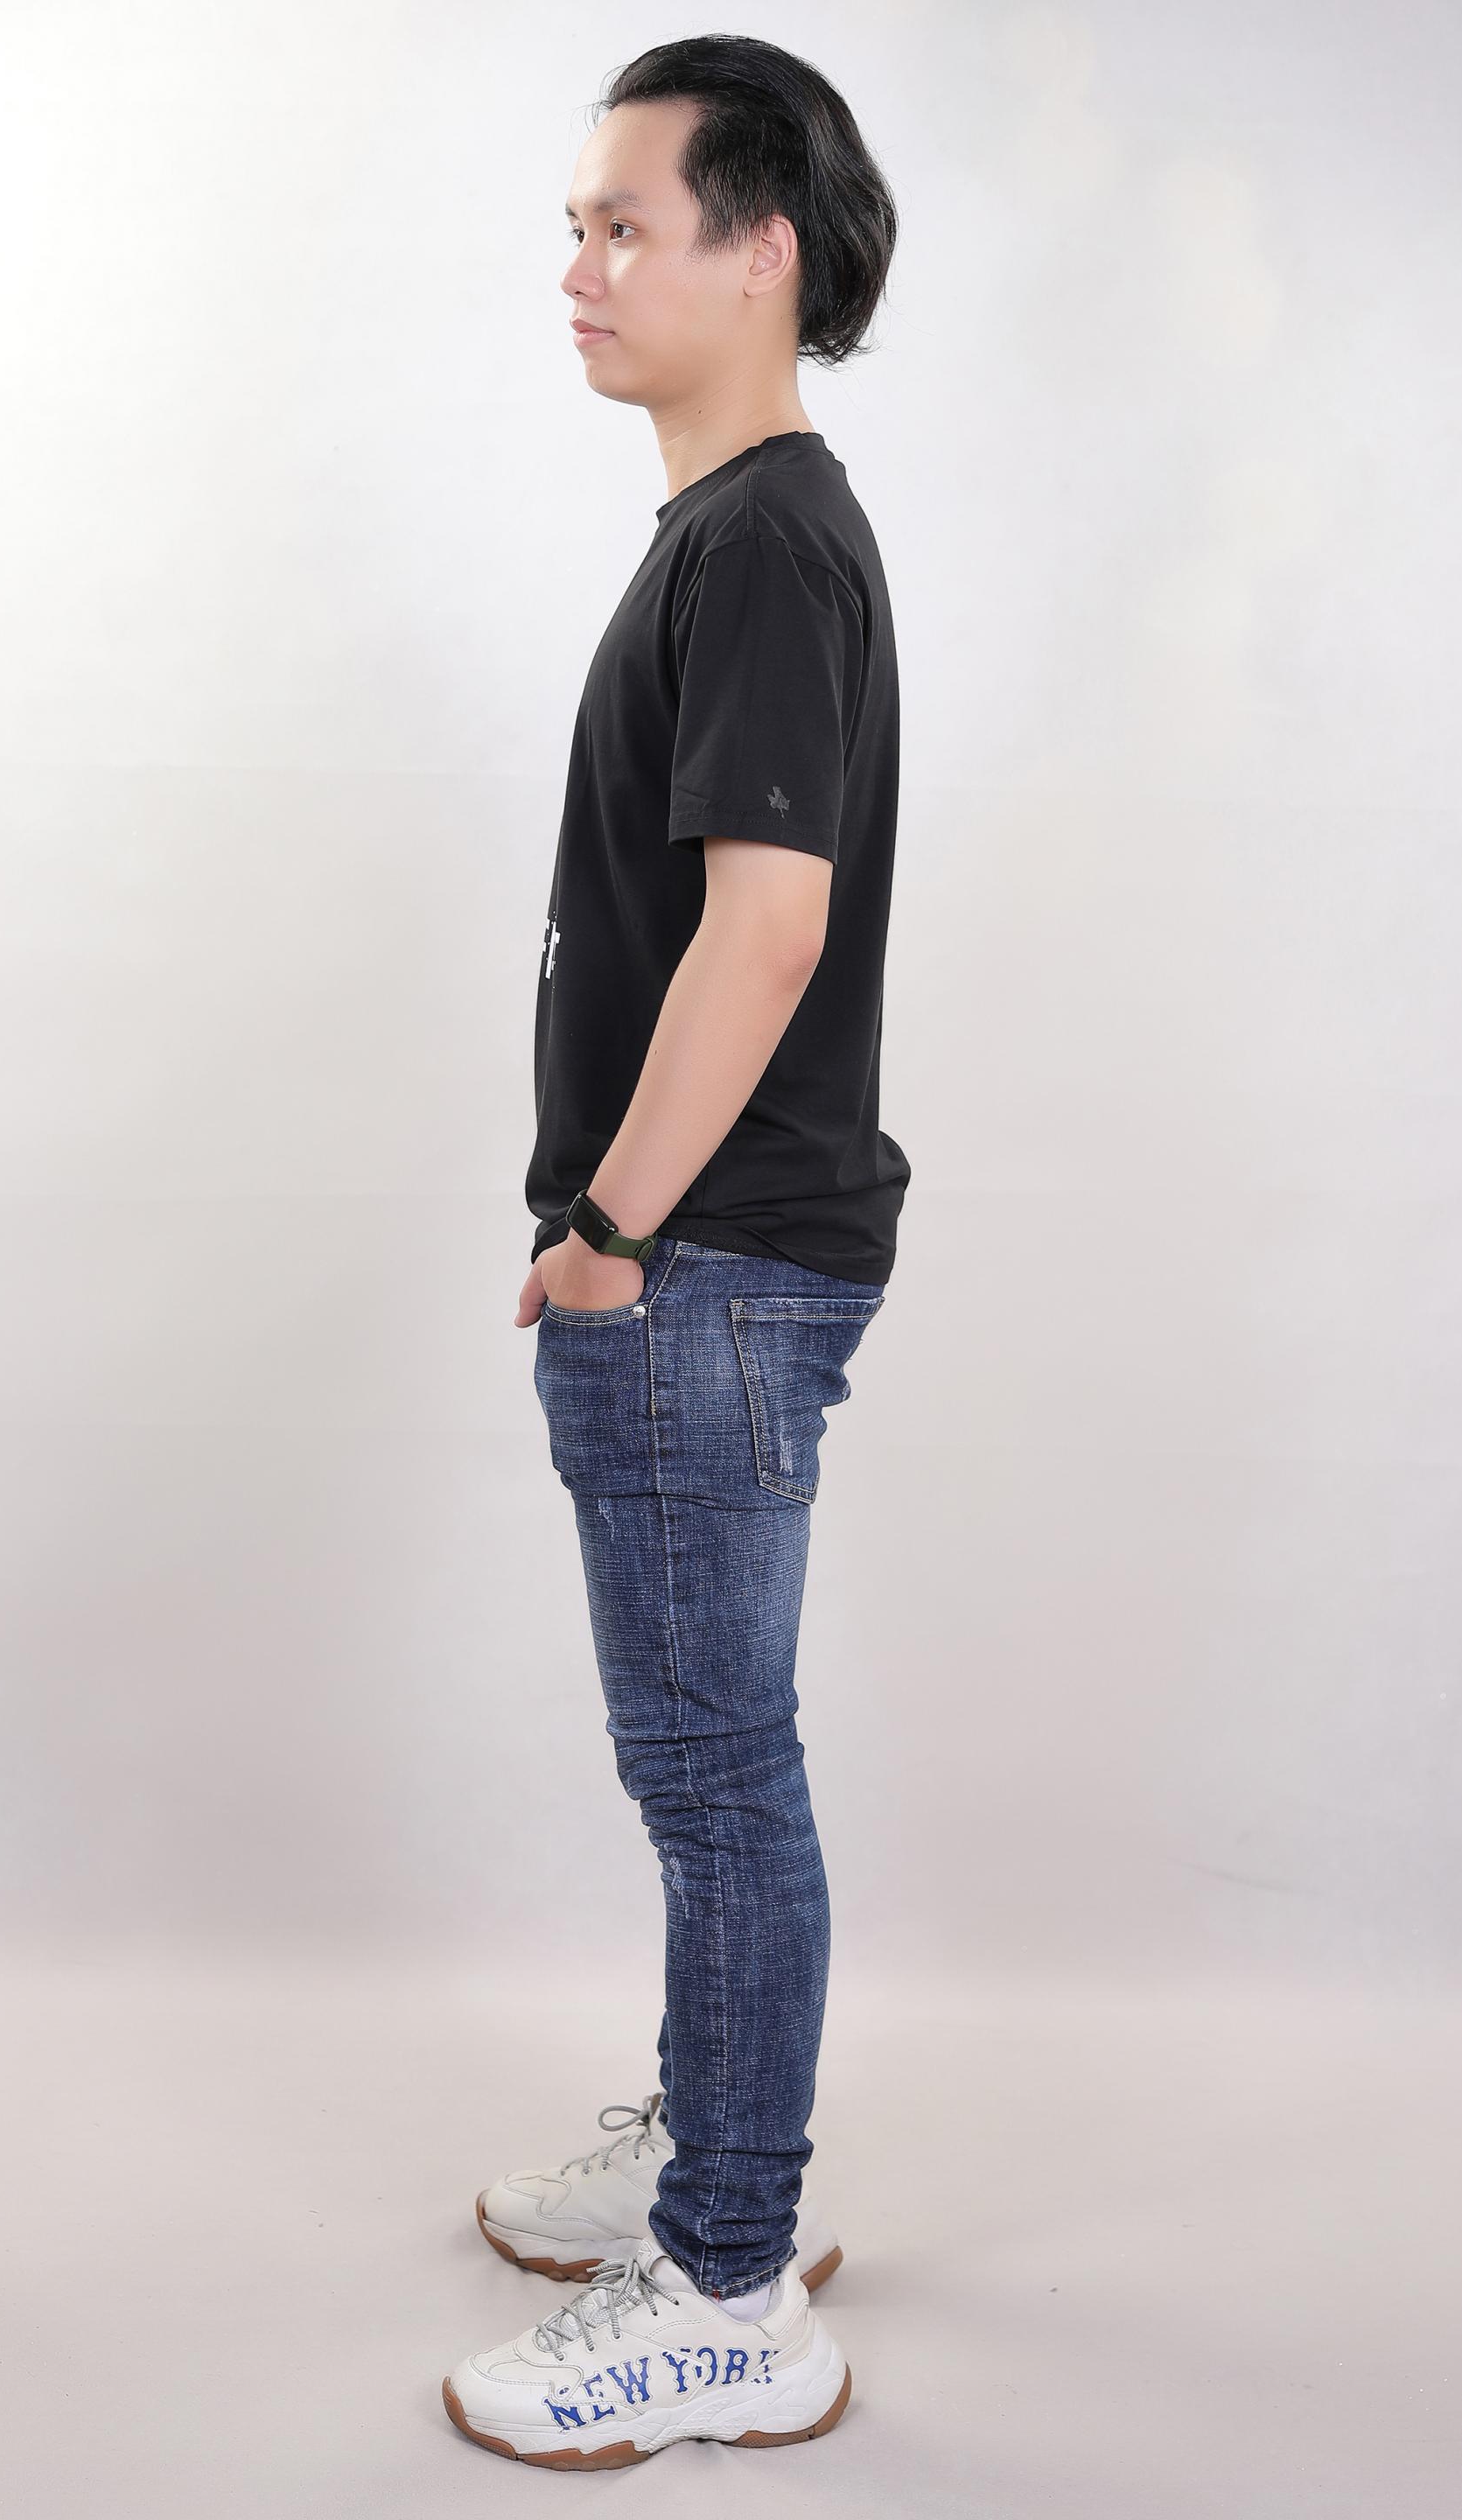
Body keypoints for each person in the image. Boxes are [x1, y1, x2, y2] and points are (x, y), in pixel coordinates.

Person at [441, 34, 911, 2468]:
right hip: (696, 1268)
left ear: (766, 254)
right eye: (578, 226)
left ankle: (730, 2282)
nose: (583, 266)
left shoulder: (768, 545)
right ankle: (714, 2140)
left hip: (704, 1267)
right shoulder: (735, 537)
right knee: (709, 1773)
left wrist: (614, 1226)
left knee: (721, 1779)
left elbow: (766, 927)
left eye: (627, 223)